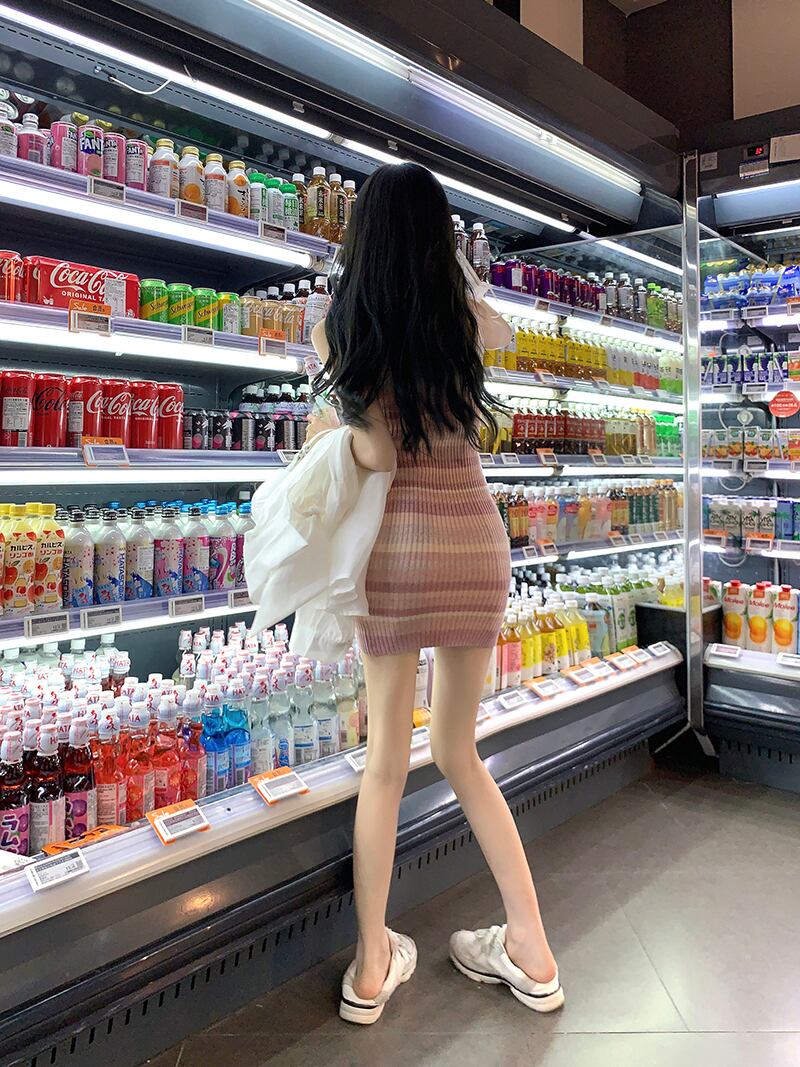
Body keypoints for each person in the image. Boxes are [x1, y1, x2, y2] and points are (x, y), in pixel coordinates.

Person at [307, 162, 562, 1025]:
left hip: (396, 552)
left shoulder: (340, 328)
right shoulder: (471, 320)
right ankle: (530, 945)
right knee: (460, 749)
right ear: (440, 235)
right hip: (473, 543)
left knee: (386, 759)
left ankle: (371, 964)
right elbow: (497, 332)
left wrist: (333, 429)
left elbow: (375, 453)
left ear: (363, 236)